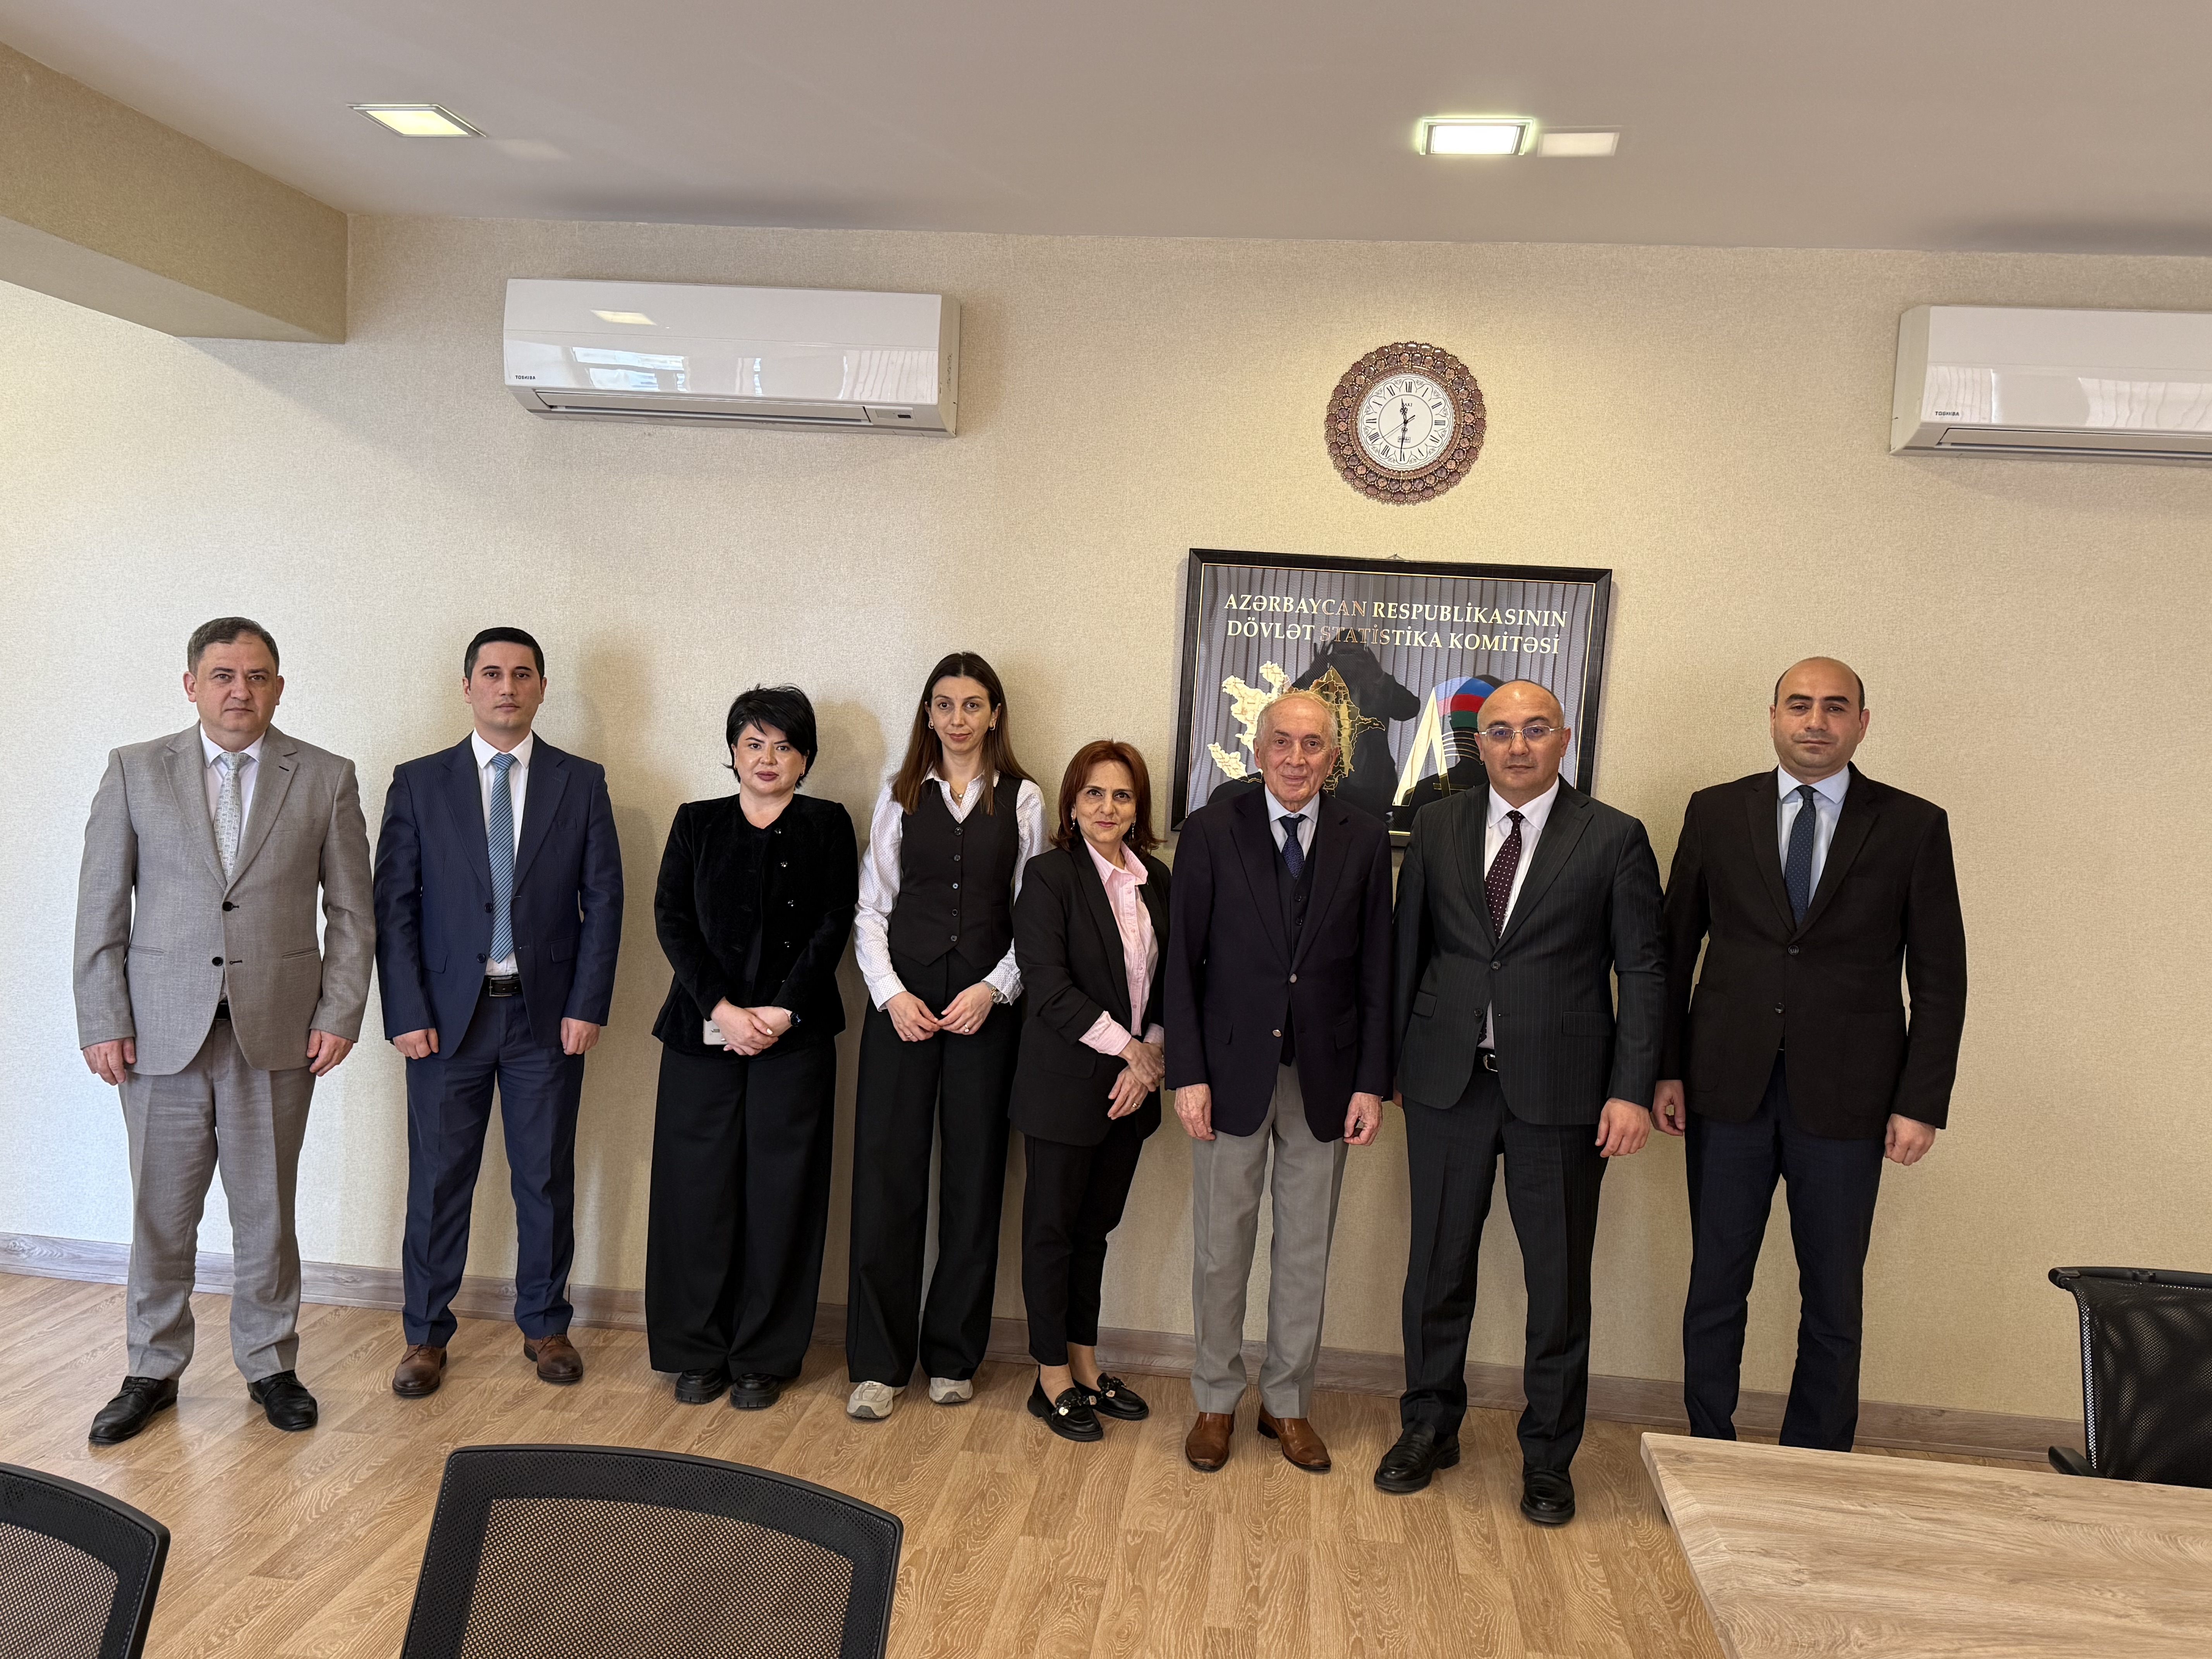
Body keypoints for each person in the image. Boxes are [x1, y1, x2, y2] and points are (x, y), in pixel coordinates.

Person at [1653, 658, 1966, 1451]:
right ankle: (1707, 1448)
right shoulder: (1716, 812)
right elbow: (1673, 951)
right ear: (1774, 717)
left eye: (1834, 707)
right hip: (1726, 1088)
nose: (1815, 721)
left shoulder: (1913, 825)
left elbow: (1941, 979)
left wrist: (1920, 1102)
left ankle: (1818, 1458)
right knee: (1716, 1283)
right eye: (1799, 705)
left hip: (1851, 1099)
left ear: (1862, 723)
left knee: (1833, 1296)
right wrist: (1665, 1068)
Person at [74, 617, 373, 1443]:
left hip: (277, 1032)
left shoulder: (326, 777)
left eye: (257, 676)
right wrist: (102, 1018)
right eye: (223, 675)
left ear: (278, 686)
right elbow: (101, 904)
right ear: (191, 685)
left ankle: (270, 1364)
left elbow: (353, 915)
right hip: (157, 1035)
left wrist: (340, 1013)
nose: (241, 691)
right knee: (160, 1215)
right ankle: (152, 1367)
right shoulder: (135, 771)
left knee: (266, 1213)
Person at [1374, 679, 1665, 1525]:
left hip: (1565, 1094)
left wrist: (1631, 1092)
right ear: (1480, 744)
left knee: (1558, 1282)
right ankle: (1429, 1426)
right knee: (1436, 1268)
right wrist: (1388, 1067)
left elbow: (1644, 972)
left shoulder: (1613, 836)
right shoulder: (1437, 826)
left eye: (1536, 730)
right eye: (1500, 732)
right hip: (1448, 1084)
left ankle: (1548, 1457)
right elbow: (1407, 950)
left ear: (1563, 740)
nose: (1517, 746)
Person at [372, 628, 623, 1396]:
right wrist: (405, 1010)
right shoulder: (419, 783)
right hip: (445, 1021)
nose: (506, 687)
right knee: (438, 1179)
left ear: (542, 687)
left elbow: (604, 901)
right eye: (491, 674)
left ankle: (546, 1325)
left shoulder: (581, 782)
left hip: (545, 1018)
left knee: (543, 1177)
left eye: (521, 674)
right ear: (468, 687)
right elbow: (394, 906)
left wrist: (587, 1003)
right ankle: (424, 1335)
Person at [1164, 689, 1392, 1474]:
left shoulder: (1364, 838)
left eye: (1314, 744)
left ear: (1335, 756)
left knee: (1305, 1252)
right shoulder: (1211, 831)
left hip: (1326, 1076)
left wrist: (1371, 1082)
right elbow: (1182, 963)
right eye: (1284, 743)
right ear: (1258, 751)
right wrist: (1188, 1075)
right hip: (1229, 1074)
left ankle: (1287, 1403)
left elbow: (1377, 969)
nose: (1298, 758)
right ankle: (1215, 1400)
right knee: (1221, 1250)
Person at [845, 652, 1046, 1420]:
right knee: (887, 1180)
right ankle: (878, 1364)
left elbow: (1034, 913)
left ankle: (955, 1355)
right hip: (902, 1009)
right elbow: (873, 909)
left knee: (974, 1181)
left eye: (972, 704)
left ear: (994, 714)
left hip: (984, 1012)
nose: (958, 719)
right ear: (928, 714)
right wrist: (892, 995)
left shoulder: (1024, 798)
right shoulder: (898, 796)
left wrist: (995, 989)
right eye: (944, 704)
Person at [646, 687, 856, 1410]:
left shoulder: (828, 824)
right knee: (695, 1193)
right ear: (733, 752)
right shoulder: (696, 822)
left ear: (806, 758)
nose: (769, 759)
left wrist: (781, 1011)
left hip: (795, 1039)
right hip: (701, 1034)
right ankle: (696, 1350)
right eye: (754, 743)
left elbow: (835, 921)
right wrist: (723, 1010)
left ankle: (764, 1355)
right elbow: (672, 918)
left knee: (782, 1196)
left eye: (785, 746)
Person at [1009, 740, 1171, 1442]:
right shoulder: (1050, 877)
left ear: (1139, 808)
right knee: (1051, 1233)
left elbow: (1173, 980)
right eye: (1094, 794)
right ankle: (1050, 1378)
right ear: (1072, 804)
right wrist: (1130, 1051)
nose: (1108, 807)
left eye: (1122, 795)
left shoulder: (1157, 880)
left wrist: (1149, 1058)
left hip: (1132, 1093)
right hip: (1064, 1089)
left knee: (1093, 1233)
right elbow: (1047, 986)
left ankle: (1084, 1362)